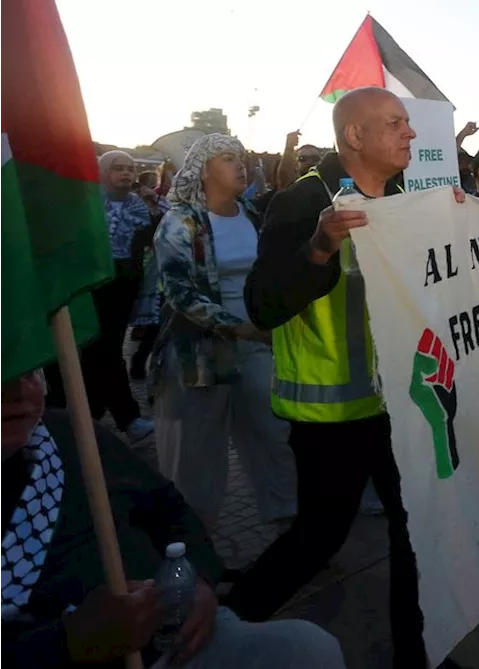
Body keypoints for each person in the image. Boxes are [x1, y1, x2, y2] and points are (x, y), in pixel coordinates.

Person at [228, 87, 457, 668]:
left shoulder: (409, 198)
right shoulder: (302, 202)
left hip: (403, 402)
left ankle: (418, 653)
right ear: (354, 136)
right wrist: (321, 247)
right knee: (320, 537)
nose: (410, 133)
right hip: (331, 415)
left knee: (416, 532)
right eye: (395, 123)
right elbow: (263, 304)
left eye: (409, 123)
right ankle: (217, 629)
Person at [0, 370, 345, 669]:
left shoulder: (70, 434)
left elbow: (169, 508)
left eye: (30, 374)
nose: (17, 392)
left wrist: (197, 581)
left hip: (177, 644)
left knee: (307, 648)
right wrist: (66, 644)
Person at [149, 134, 297, 533]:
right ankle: (193, 545)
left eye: (241, 157)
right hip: (200, 354)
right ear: (203, 168)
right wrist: (241, 329)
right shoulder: (181, 222)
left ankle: (287, 523)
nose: (241, 165)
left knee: (274, 435)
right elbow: (179, 293)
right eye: (228, 158)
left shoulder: (249, 212)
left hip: (257, 346)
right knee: (197, 456)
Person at [44, 151, 154, 442]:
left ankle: (105, 416)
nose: (126, 174)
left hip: (122, 285)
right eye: (118, 168)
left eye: (130, 169)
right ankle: (103, 417)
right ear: (102, 172)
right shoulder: (86, 204)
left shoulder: (139, 207)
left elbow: (150, 234)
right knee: (87, 351)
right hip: (88, 284)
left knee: (107, 350)